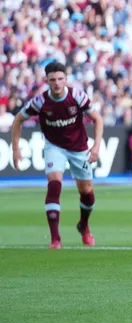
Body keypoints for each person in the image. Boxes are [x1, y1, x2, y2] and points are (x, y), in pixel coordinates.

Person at [11, 61, 104, 249]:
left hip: (79, 147)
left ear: (66, 79)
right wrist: (15, 148)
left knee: (87, 192)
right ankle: (55, 239)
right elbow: (18, 120)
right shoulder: (40, 101)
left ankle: (84, 226)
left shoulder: (77, 96)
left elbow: (97, 119)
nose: (57, 83)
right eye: (52, 80)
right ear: (47, 81)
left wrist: (96, 147)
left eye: (60, 79)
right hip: (54, 147)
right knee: (54, 185)